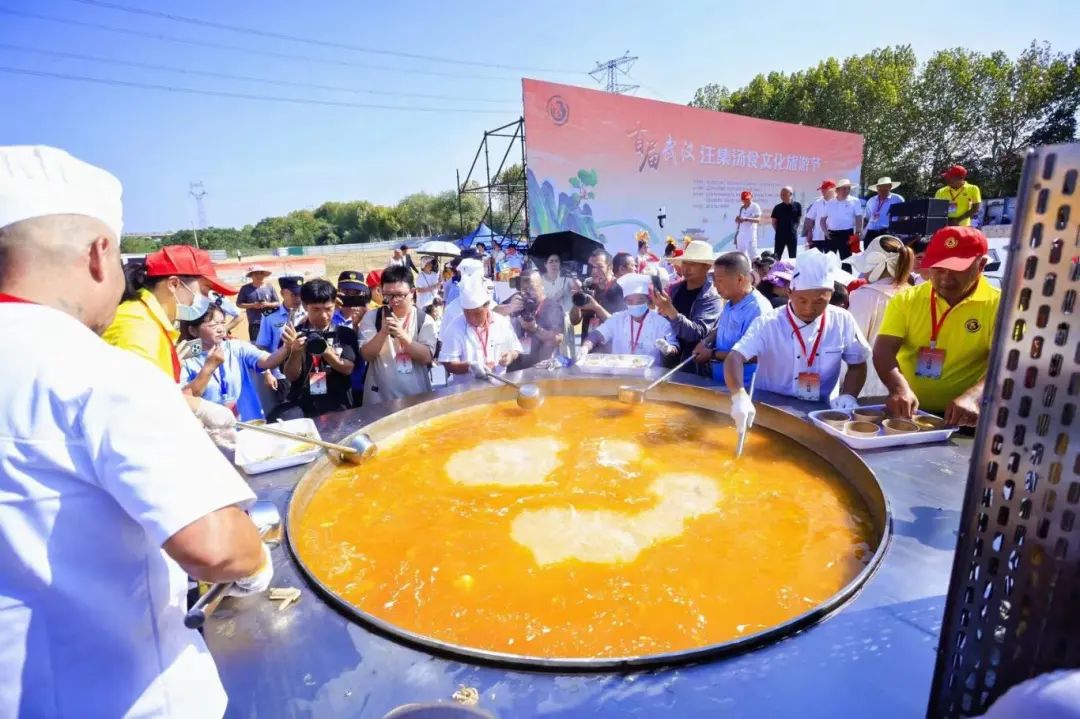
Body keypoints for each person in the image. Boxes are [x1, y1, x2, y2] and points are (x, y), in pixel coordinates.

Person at [0, 144, 271, 718]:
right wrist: (255, 556)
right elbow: (214, 548)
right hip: (126, 697)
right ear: (100, 254)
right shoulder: (95, 369)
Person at [105, 245, 240, 446]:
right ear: (174, 284)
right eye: (205, 290)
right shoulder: (138, 328)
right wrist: (202, 408)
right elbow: (139, 403)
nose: (208, 299)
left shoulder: (151, 321)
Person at [725, 249, 872, 434]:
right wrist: (739, 396)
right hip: (770, 408)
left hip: (820, 412)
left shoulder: (842, 320)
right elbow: (735, 357)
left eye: (819, 301)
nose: (809, 308)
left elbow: (857, 363)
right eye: (802, 300)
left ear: (831, 294)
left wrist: (849, 395)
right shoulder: (768, 323)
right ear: (790, 292)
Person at [873, 226, 999, 427]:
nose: (946, 279)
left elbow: (1005, 365)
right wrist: (898, 388)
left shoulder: (1000, 306)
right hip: (909, 413)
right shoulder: (906, 299)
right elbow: (883, 351)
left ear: (981, 264)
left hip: (967, 418)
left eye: (958, 270)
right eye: (938, 269)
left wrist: (974, 396)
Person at [181, 304, 294, 421]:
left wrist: (287, 347)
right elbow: (185, 398)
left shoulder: (235, 347)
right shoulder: (185, 358)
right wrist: (208, 368)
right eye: (213, 325)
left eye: (222, 323)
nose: (221, 329)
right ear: (193, 331)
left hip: (250, 425)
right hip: (212, 431)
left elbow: (268, 361)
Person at [847, 235, 915, 398]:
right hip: (907, 386)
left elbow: (853, 345)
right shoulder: (915, 294)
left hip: (868, 385)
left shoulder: (864, 296)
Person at [691, 252, 773, 388]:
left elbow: (755, 355)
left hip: (744, 388)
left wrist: (712, 354)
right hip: (721, 384)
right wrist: (706, 342)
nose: (715, 285)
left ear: (740, 279)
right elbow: (724, 327)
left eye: (719, 280)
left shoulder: (758, 309)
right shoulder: (730, 302)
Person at [358, 264, 436, 406]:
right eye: (387, 295)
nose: (393, 300)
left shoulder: (423, 319)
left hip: (416, 398)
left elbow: (426, 357)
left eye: (400, 295)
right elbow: (366, 355)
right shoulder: (371, 317)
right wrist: (382, 332)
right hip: (379, 399)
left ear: (412, 292)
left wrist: (401, 334)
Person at [283, 278, 358, 417]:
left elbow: (347, 368)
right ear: (305, 306)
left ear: (335, 305)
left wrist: (324, 350)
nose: (323, 315)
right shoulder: (294, 334)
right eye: (316, 309)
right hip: (303, 406)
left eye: (328, 309)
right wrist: (295, 352)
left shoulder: (344, 334)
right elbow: (291, 376)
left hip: (338, 406)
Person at [651, 239, 723, 366]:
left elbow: (697, 333)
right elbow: (663, 323)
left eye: (693, 264)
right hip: (667, 360)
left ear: (707, 267)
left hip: (692, 365)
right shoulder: (675, 289)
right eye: (684, 262)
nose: (686, 268)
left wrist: (670, 311)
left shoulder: (712, 297)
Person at [581, 273, 678, 365]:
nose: (635, 305)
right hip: (619, 373)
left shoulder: (661, 323)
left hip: (650, 375)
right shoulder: (617, 318)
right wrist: (585, 347)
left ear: (648, 300)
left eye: (640, 300)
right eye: (630, 301)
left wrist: (668, 349)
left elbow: (674, 348)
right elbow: (597, 335)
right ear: (625, 302)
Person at [438, 274, 522, 377]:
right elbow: (448, 363)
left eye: (477, 313)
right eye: (467, 313)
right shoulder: (455, 327)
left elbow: (515, 348)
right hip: (467, 388)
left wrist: (510, 355)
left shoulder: (502, 322)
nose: (472, 318)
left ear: (487, 306)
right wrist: (469, 367)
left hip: (498, 384)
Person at [255, 275, 306, 406]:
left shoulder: (309, 313)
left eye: (301, 294)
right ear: (283, 293)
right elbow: (262, 348)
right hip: (281, 376)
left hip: (305, 373)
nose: (298, 299)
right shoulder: (270, 316)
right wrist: (267, 373)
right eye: (294, 294)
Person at [570, 249, 627, 352]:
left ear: (610, 268)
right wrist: (576, 302)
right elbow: (574, 321)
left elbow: (621, 325)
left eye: (600, 267)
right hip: (588, 349)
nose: (594, 271)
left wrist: (596, 307)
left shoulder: (620, 289)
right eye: (592, 267)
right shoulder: (588, 287)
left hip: (611, 351)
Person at [509, 270, 566, 369]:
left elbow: (557, 339)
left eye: (531, 288)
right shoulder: (518, 300)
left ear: (541, 286)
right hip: (515, 367)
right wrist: (508, 308)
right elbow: (493, 311)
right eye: (524, 289)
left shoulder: (552, 307)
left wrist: (534, 328)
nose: (527, 293)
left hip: (540, 368)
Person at [819, 179, 863, 261]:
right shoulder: (830, 203)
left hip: (847, 234)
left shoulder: (855, 201)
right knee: (829, 261)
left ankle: (847, 274)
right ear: (837, 190)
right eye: (844, 188)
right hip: (831, 235)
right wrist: (825, 232)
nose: (846, 190)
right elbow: (822, 220)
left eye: (848, 188)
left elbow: (859, 217)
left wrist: (857, 232)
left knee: (847, 261)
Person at [235, 265, 280, 341]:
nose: (259, 275)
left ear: (264, 275)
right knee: (256, 345)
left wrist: (268, 304)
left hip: (270, 322)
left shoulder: (270, 287)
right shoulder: (245, 288)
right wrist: (253, 305)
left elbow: (278, 303)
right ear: (251, 275)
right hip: (254, 323)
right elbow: (239, 304)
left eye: (261, 273)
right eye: (256, 273)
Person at [862, 177, 904, 246]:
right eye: (880, 187)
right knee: (868, 255)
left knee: (886, 256)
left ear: (890, 187)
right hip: (871, 232)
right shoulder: (871, 200)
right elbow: (866, 218)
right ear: (877, 188)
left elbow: (903, 216)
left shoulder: (897, 199)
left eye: (885, 186)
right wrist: (861, 232)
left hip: (887, 233)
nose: (882, 189)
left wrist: (898, 232)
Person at [770, 186, 802, 261]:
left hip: (792, 235)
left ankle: (793, 272)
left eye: (784, 194)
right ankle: (775, 271)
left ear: (790, 194)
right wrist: (779, 231)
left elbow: (798, 219)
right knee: (777, 257)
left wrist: (794, 229)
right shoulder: (777, 207)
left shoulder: (797, 205)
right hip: (780, 236)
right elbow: (773, 222)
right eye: (781, 194)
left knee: (793, 257)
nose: (782, 196)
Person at [803, 179, 835, 249]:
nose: (822, 191)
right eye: (822, 189)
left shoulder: (837, 202)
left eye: (825, 189)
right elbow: (809, 218)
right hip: (817, 237)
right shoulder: (817, 202)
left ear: (832, 189)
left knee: (830, 258)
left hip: (832, 237)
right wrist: (810, 233)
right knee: (815, 259)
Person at [734, 190, 762, 259]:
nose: (747, 200)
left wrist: (746, 219)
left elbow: (758, 220)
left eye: (748, 199)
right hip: (741, 234)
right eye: (745, 199)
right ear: (742, 200)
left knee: (753, 255)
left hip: (751, 234)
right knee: (741, 255)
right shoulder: (741, 207)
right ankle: (744, 269)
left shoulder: (755, 206)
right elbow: (736, 220)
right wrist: (738, 219)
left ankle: (756, 269)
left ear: (751, 197)